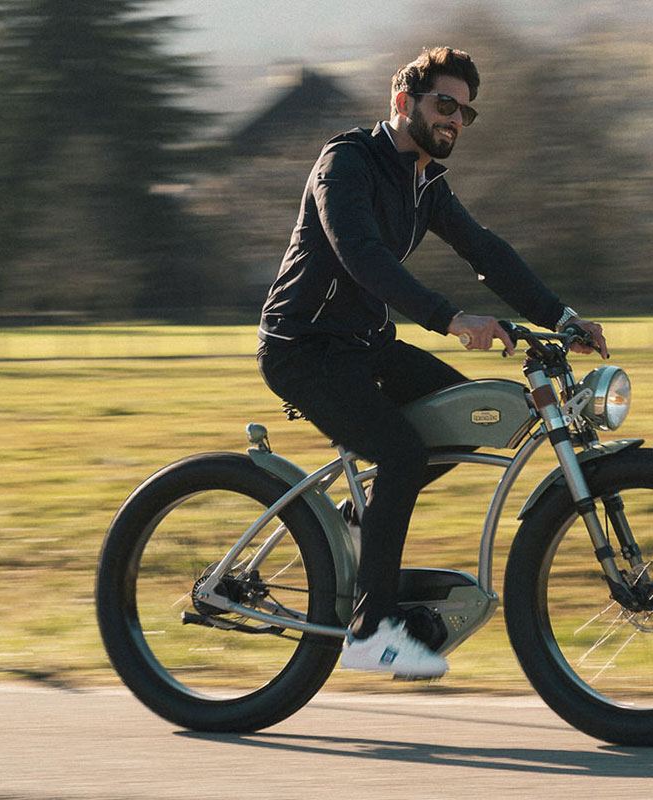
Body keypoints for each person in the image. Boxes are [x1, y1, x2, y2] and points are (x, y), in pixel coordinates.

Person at [256, 47, 606, 678]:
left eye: (466, 114)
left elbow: (487, 252)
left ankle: (357, 525)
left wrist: (562, 317)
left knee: (465, 419)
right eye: (445, 104)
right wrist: (449, 318)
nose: (455, 120)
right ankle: (370, 631)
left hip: (365, 344)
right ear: (403, 103)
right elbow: (361, 254)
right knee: (401, 454)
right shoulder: (346, 163)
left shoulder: (427, 185)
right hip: (304, 348)